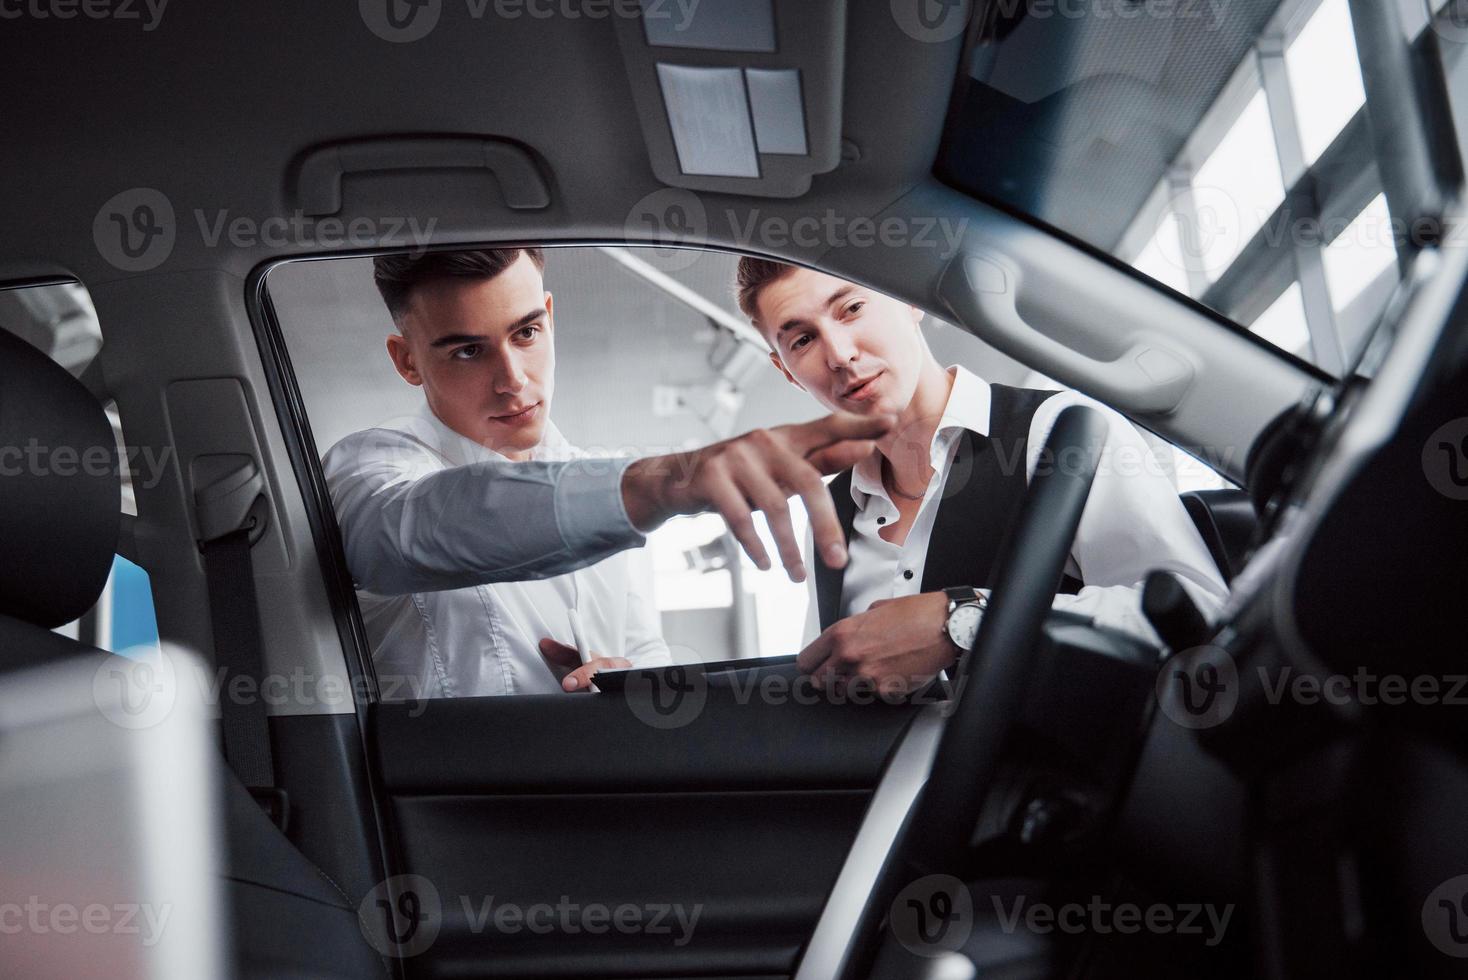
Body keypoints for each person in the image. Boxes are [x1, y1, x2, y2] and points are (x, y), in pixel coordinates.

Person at [323, 247, 890, 697]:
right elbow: (417, 530)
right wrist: (663, 484)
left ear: (548, 317)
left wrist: (619, 688)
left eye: (526, 333)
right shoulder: (370, 468)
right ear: (406, 360)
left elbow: (646, 655)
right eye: (468, 352)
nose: (513, 379)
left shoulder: (600, 482)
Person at [734, 258, 1228, 696]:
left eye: (851, 308)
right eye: (803, 340)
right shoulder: (831, 514)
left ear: (905, 298)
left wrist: (962, 621)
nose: (839, 353)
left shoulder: (1058, 432)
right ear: (786, 371)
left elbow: (1198, 609)